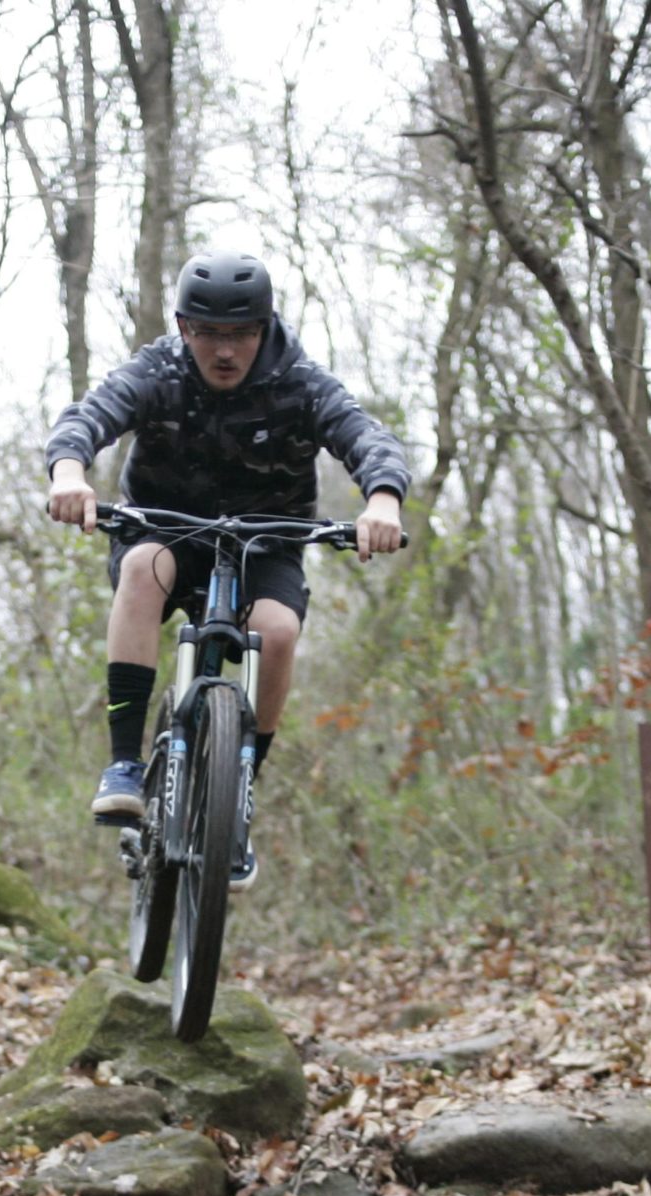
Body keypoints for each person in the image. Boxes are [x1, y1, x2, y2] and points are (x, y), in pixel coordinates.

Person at [44, 251, 409, 889]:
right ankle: (125, 763)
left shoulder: (296, 378)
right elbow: (90, 415)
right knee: (141, 571)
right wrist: (70, 474)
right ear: (185, 328)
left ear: (264, 329)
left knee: (280, 631)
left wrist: (382, 499)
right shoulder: (159, 369)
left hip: (269, 539)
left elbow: (362, 434)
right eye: (210, 333)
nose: (225, 350)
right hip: (168, 529)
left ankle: (239, 787)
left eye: (241, 333)